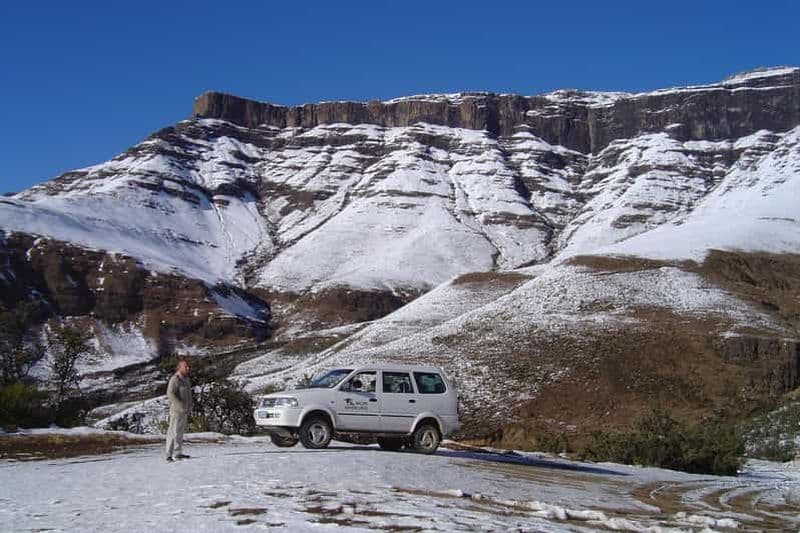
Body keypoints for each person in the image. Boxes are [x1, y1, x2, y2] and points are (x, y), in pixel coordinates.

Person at [165, 358, 192, 462]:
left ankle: (178, 453)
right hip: (176, 410)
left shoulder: (186, 379)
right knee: (173, 432)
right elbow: (170, 393)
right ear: (179, 368)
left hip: (184, 410)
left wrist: (189, 405)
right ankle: (168, 454)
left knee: (180, 432)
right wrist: (179, 404)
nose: (188, 368)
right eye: (185, 367)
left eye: (188, 366)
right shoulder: (175, 379)